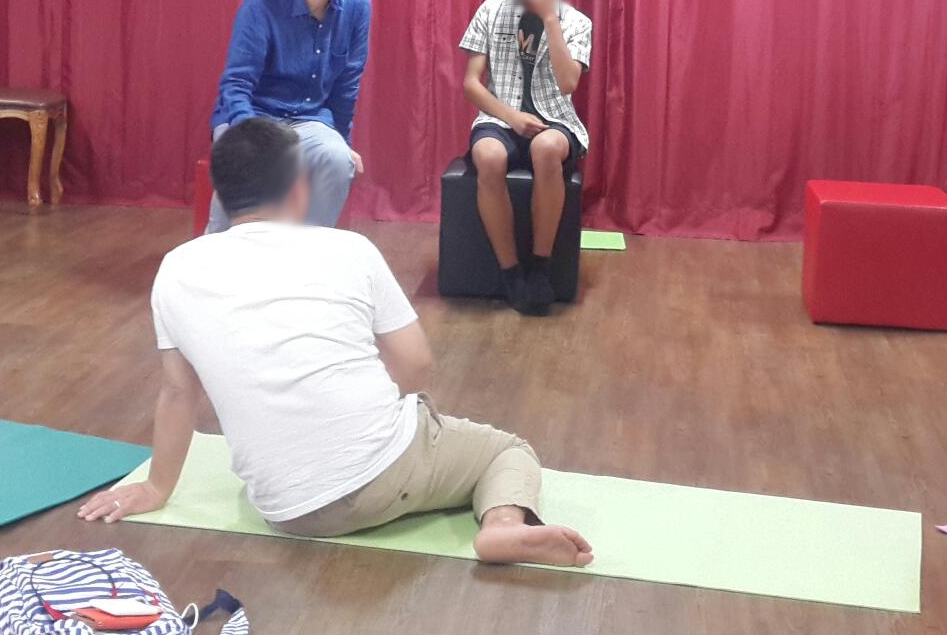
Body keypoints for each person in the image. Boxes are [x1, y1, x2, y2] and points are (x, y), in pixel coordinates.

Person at [80, 119, 592, 566]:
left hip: (283, 509)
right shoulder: (349, 248)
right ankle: (503, 525)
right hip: (381, 477)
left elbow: (177, 392)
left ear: (221, 191)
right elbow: (416, 367)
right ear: (300, 188)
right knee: (507, 451)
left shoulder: (176, 267)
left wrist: (157, 487)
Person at [459, 0, 593, 316]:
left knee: (547, 148)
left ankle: (540, 265)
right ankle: (510, 271)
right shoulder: (490, 10)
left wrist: (550, 20)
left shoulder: (577, 21)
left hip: (555, 118)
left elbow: (569, 84)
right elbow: (471, 84)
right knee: (488, 157)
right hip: (500, 117)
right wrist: (511, 117)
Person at [208, 0, 370, 232]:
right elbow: (237, 84)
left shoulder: (357, 7)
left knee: (338, 159)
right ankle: (217, 249)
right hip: (251, 117)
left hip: (310, 119)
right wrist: (252, 138)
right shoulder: (260, 8)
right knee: (245, 164)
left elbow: (347, 86)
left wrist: (343, 139)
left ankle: (305, 249)